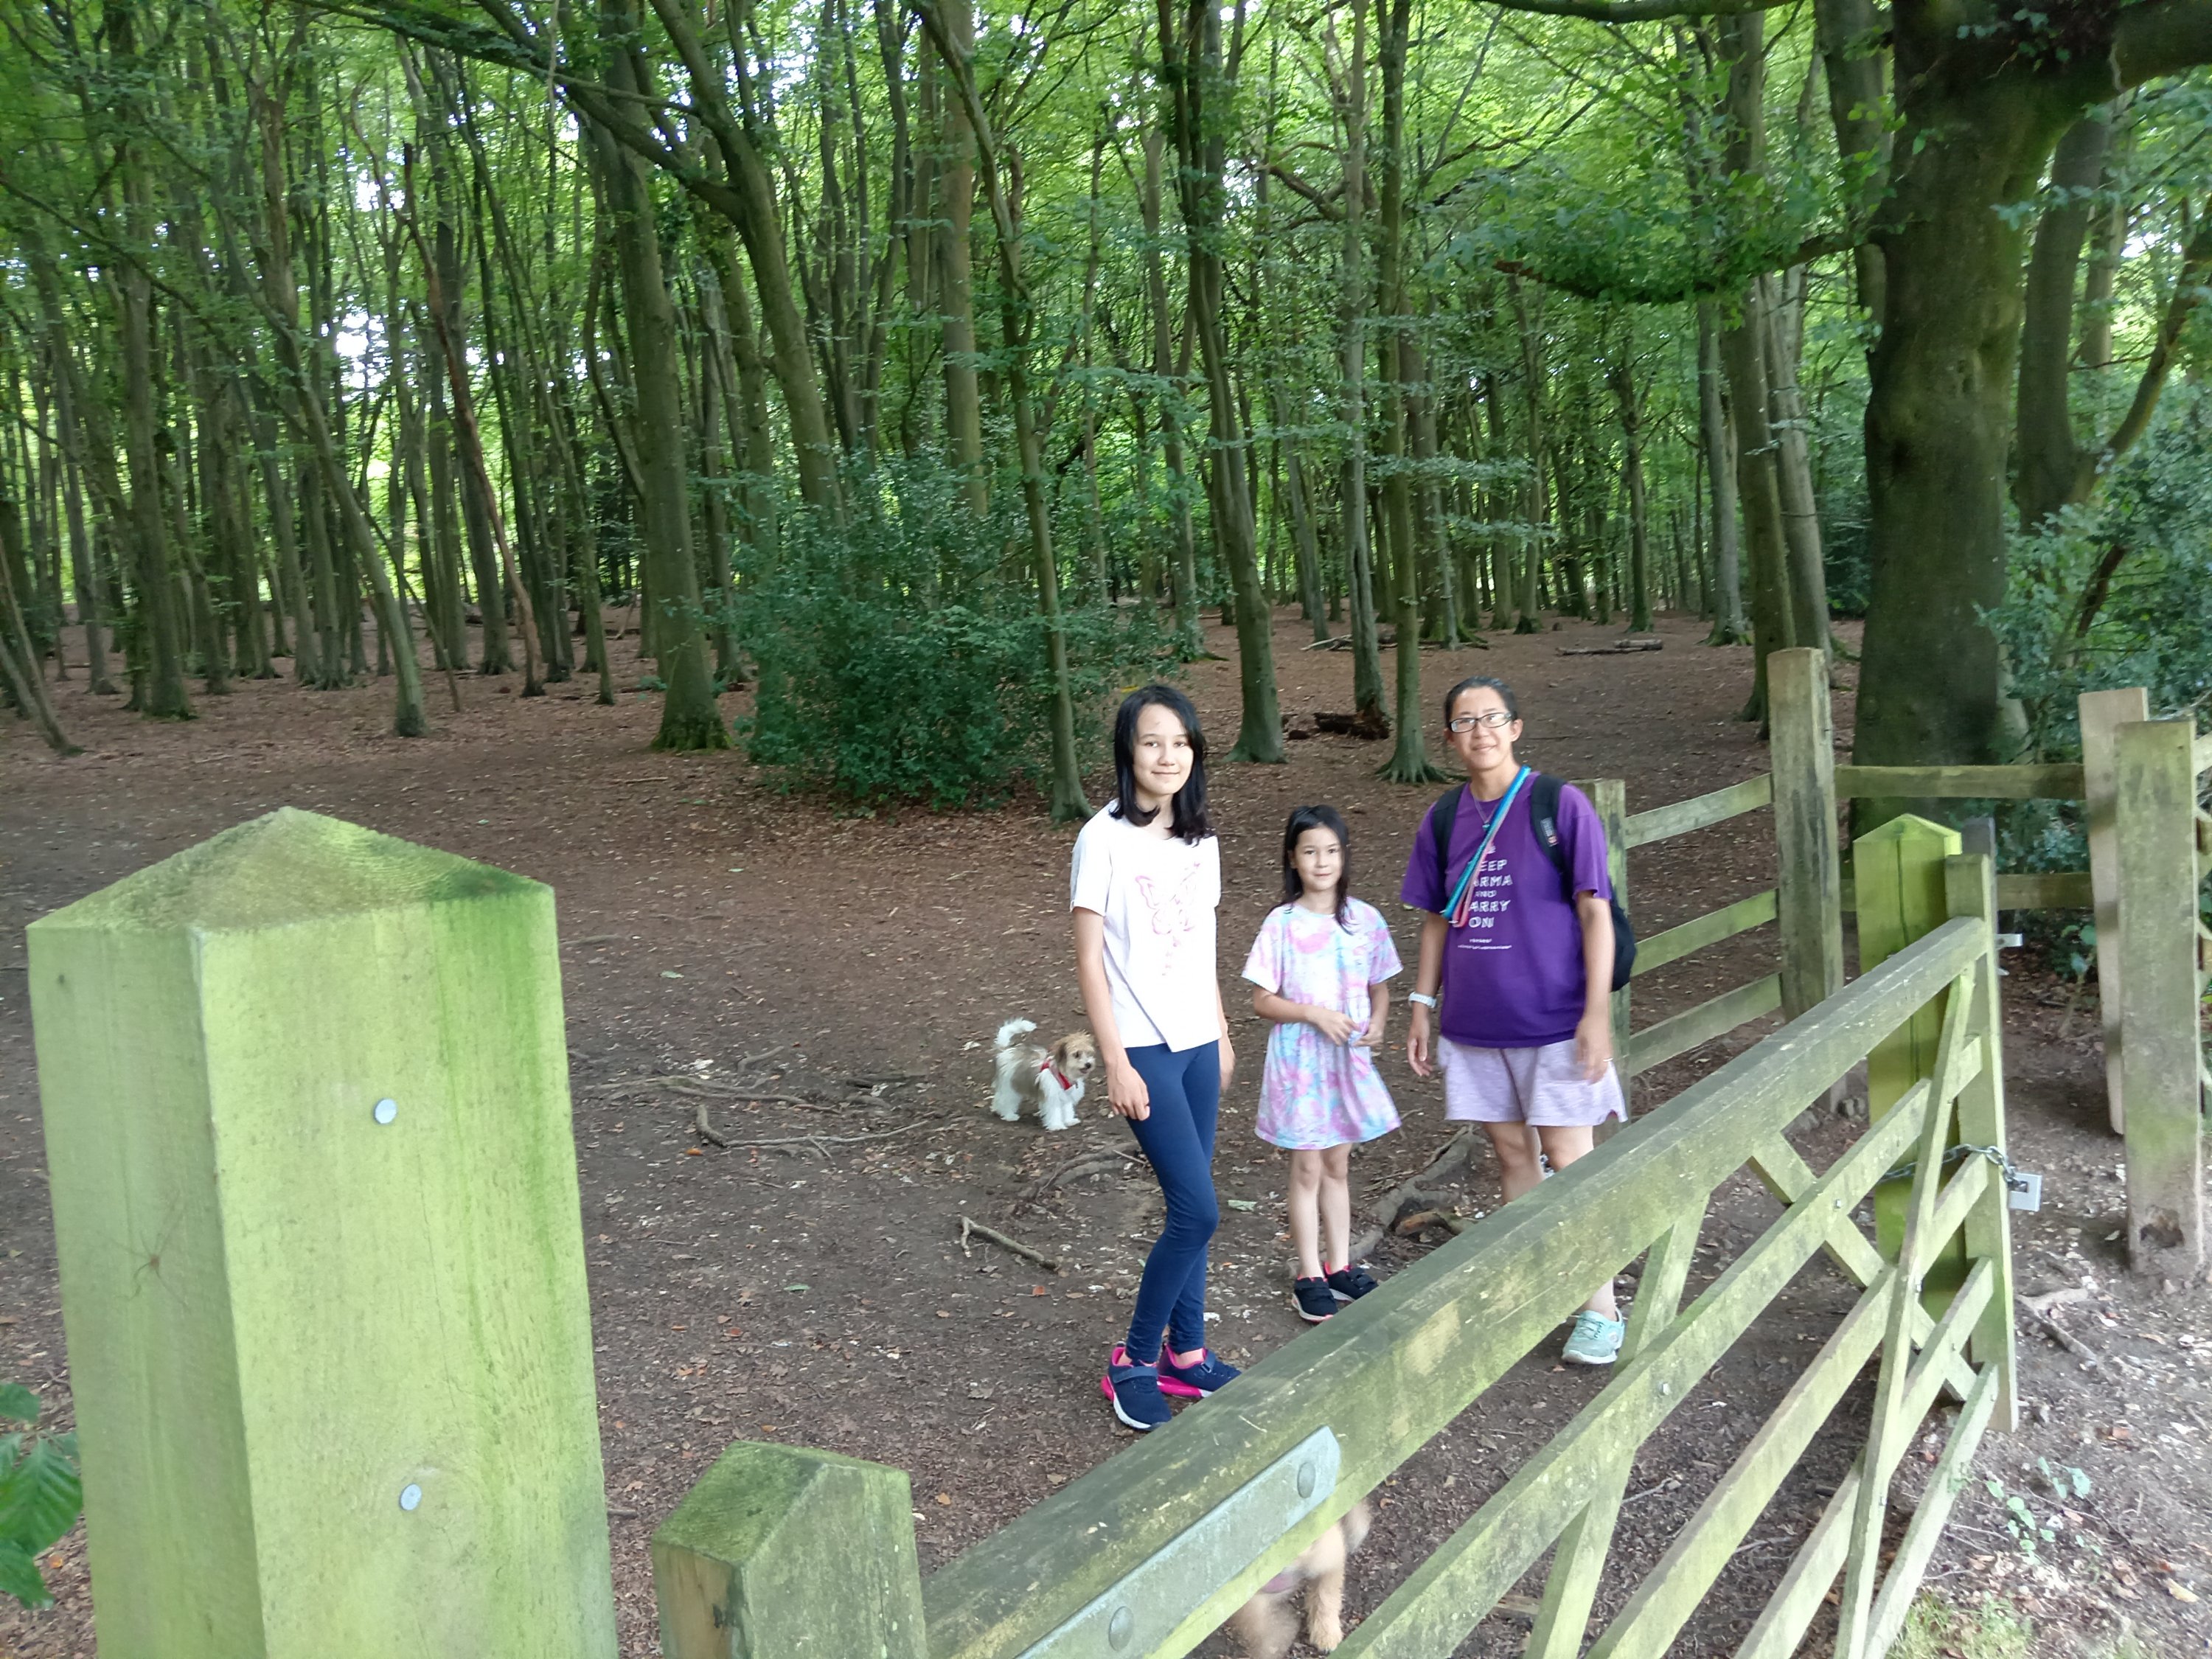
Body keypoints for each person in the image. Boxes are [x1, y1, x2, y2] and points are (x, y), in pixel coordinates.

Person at [1398, 675, 1627, 1366]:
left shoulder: (1558, 805)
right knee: (1512, 1156)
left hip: (1555, 1021)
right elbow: (1437, 919)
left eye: (1492, 718)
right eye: (1465, 722)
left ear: (1516, 728)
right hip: (1475, 1025)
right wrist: (1422, 1004)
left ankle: (1601, 1309)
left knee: (1571, 1158)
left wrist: (1596, 1013)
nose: (1481, 732)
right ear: (1449, 738)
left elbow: (1595, 912)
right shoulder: (1444, 818)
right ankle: (1538, 1288)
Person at [1071, 684, 1241, 1430]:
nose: (1168, 755)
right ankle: (1134, 1360)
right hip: (1142, 1047)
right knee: (1197, 1211)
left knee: (1192, 1208)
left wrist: (1223, 1032)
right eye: (1152, 741)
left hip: (1197, 1043)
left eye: (1180, 742)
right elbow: (1089, 960)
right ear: (1128, 750)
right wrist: (1115, 1061)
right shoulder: (1101, 838)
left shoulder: (1200, 839)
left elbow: (1202, 946)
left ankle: (1186, 1352)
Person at [1243, 804, 1403, 1324]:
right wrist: (1312, 1014)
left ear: (1344, 855)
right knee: (1308, 1165)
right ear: (1293, 858)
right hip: (1300, 1063)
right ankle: (1308, 1273)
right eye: (1310, 851)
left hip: (1346, 1061)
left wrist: (1378, 1022)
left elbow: (1380, 986)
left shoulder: (1364, 920)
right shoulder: (1282, 924)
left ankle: (1340, 1265)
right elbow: (1262, 1000)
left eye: (1331, 851)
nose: (1322, 861)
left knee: (1338, 1164)